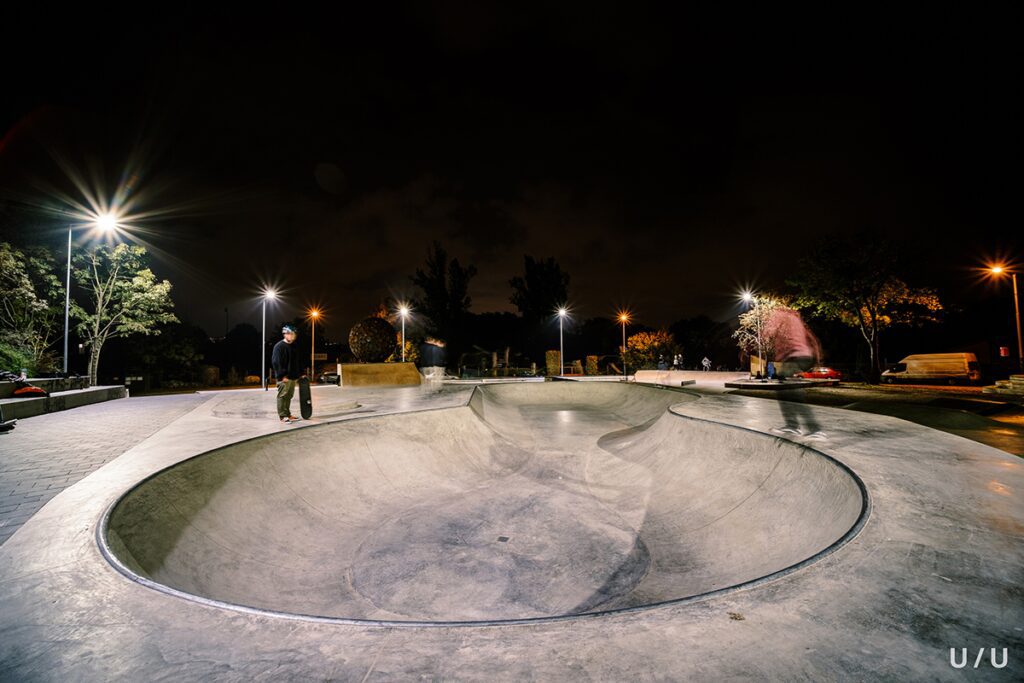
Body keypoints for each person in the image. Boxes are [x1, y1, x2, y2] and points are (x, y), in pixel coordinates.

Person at [272, 324, 303, 423]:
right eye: (291, 334)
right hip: (284, 377)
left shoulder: (294, 346)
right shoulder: (279, 346)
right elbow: (276, 362)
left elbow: (296, 362)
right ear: (285, 334)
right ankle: (282, 416)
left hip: (292, 376)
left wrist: (299, 374)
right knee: (282, 395)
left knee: (289, 396)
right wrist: (281, 376)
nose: (293, 336)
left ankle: (288, 414)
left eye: (294, 334)